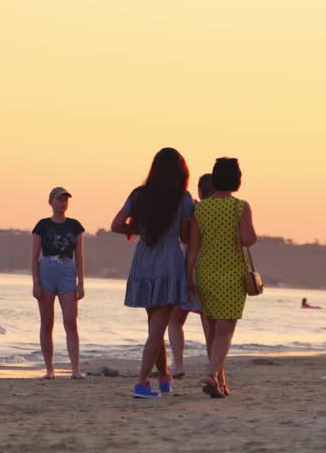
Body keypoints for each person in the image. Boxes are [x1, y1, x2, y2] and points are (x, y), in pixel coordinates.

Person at [110, 148, 195, 398]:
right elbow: (185, 235)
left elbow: (116, 225)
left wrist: (140, 228)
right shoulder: (183, 198)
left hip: (144, 259)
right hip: (168, 260)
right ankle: (142, 382)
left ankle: (165, 378)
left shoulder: (139, 195)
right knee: (157, 329)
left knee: (154, 326)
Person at [188, 157, 257, 397]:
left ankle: (219, 382)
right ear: (237, 179)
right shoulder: (240, 207)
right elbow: (248, 239)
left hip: (205, 272)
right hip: (232, 275)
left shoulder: (200, 209)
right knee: (225, 332)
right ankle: (211, 374)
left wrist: (189, 277)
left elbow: (193, 248)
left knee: (213, 331)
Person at [31, 187, 85, 380]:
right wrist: (35, 282)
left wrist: (81, 283)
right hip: (46, 271)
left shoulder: (75, 226)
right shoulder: (42, 225)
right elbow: (34, 256)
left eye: (65, 200)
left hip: (67, 273)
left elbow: (79, 257)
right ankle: (49, 369)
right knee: (47, 322)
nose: (63, 203)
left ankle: (75, 369)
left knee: (70, 321)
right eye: (59, 199)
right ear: (51, 202)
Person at [165, 173, 213, 378]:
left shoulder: (195, 211)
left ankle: (178, 364)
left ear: (200, 191)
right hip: (211, 269)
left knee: (175, 320)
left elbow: (186, 240)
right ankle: (215, 368)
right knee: (209, 324)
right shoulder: (220, 212)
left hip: (188, 266)